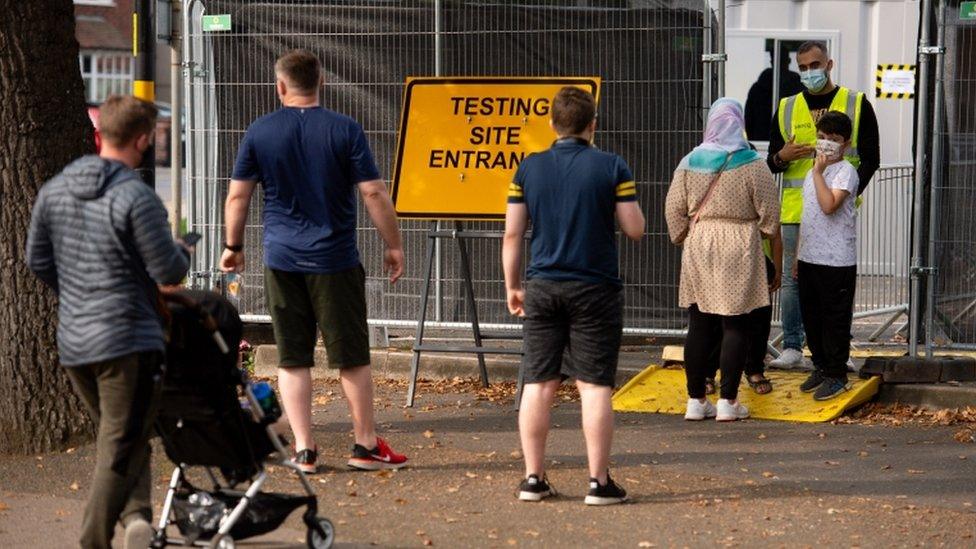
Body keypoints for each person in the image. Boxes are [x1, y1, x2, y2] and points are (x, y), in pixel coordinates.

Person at [221, 50, 407, 473]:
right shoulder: (344, 129)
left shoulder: (260, 132)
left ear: (280, 86)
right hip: (335, 260)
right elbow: (374, 193)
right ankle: (364, 446)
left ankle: (305, 450)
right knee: (352, 355)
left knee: (292, 356)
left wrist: (234, 245)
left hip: (281, 259)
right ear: (319, 83)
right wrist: (393, 245)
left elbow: (238, 195)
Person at [26, 95, 190, 549]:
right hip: (127, 339)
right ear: (140, 138)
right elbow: (168, 271)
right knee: (118, 444)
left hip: (75, 340)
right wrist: (184, 251)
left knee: (124, 434)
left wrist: (78, 293)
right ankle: (92, 540)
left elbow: (36, 259)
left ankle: (137, 518)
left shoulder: (54, 190)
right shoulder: (135, 196)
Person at [503, 86, 645, 505]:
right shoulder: (611, 166)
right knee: (595, 385)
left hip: (542, 286)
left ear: (551, 124)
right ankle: (599, 482)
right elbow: (634, 228)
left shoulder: (528, 169)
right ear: (592, 126)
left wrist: (513, 285)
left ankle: (533, 478)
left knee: (539, 382)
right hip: (595, 287)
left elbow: (513, 233)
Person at [665, 98, 782, 422]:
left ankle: (695, 400)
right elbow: (770, 213)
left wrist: (683, 235)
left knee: (699, 323)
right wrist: (763, 232)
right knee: (736, 323)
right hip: (740, 244)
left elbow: (673, 207)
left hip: (700, 242)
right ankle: (729, 402)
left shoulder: (690, 161)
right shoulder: (752, 163)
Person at [766, 40, 879, 369]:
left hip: (835, 207)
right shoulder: (787, 107)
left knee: (833, 284)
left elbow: (870, 158)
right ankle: (791, 345)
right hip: (795, 209)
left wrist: (851, 191)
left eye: (815, 65)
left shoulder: (855, 103)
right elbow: (774, 162)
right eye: (802, 67)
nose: (809, 72)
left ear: (829, 64)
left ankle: (833, 352)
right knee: (792, 279)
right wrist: (780, 157)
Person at [795, 112, 860, 400]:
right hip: (810, 256)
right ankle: (820, 365)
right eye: (822, 138)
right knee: (812, 317)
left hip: (836, 259)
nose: (826, 145)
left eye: (833, 141)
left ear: (845, 144)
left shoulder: (845, 171)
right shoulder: (812, 171)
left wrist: (819, 173)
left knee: (834, 318)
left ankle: (837, 373)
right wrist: (799, 255)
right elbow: (807, 214)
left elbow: (829, 205)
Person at [744, 49, 804, 141]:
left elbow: (749, 119)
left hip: (770, 139)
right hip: (768, 139)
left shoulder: (758, 87)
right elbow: (749, 118)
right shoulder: (796, 84)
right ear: (789, 61)